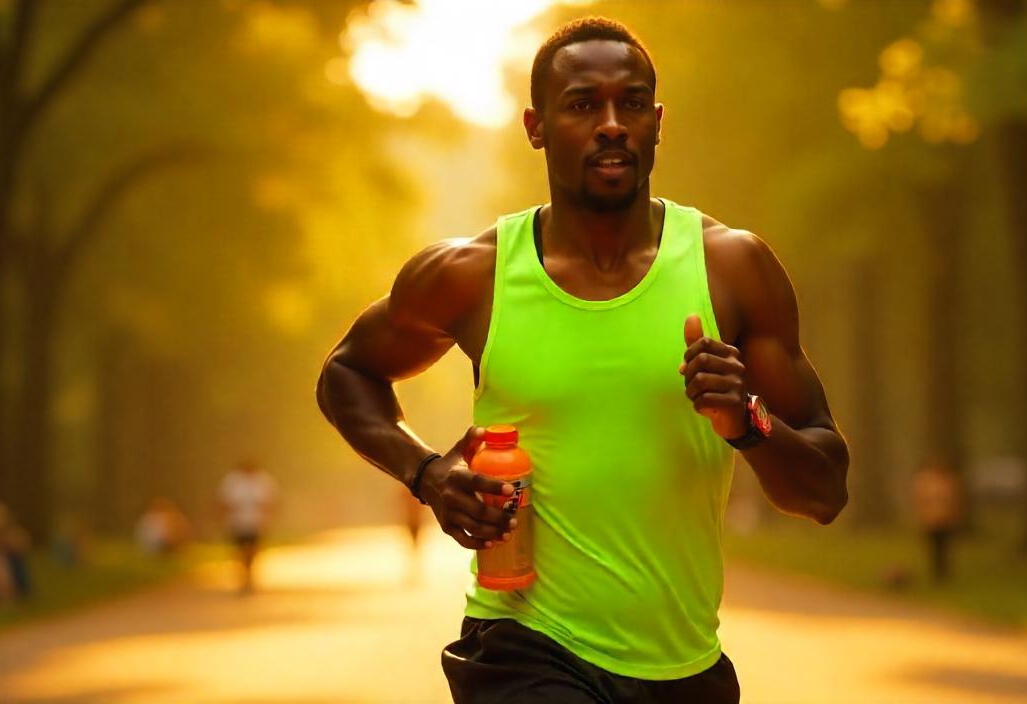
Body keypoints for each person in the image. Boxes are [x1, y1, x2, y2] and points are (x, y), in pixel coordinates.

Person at [317, 17, 849, 703]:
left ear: (657, 122)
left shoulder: (732, 271)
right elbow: (346, 372)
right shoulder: (474, 276)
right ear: (536, 127)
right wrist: (425, 471)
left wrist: (747, 421)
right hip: (521, 650)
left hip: (683, 668)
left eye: (630, 104)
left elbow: (825, 491)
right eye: (581, 105)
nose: (610, 124)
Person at [218, 460, 278, 595]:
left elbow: (270, 502)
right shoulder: (233, 481)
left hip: (256, 523)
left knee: (253, 551)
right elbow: (224, 502)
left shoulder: (263, 480)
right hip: (238, 523)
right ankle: (244, 577)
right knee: (240, 551)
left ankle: (249, 576)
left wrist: (267, 516)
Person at [911, 457, 962, 584]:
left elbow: (955, 500)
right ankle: (936, 573)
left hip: (945, 520)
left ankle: (944, 573)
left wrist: (955, 515)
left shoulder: (949, 481)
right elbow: (919, 499)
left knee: (944, 547)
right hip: (931, 520)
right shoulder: (926, 481)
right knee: (933, 548)